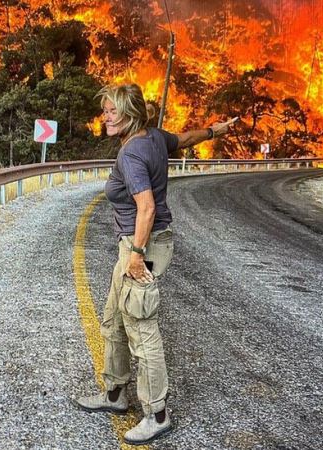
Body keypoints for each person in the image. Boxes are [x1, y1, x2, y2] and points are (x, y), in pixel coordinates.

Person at [74, 83, 236, 445]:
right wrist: (215, 130)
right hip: (137, 244)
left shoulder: (131, 155)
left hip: (141, 245)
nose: (106, 117)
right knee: (113, 319)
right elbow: (186, 138)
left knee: (141, 329)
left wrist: (135, 255)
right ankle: (115, 395)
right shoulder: (154, 137)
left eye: (111, 111)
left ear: (130, 115)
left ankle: (157, 414)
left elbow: (145, 207)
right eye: (105, 110)